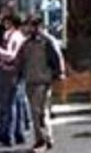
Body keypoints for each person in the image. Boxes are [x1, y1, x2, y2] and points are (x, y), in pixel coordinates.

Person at [15, 15, 64, 152]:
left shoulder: (47, 42)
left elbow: (56, 59)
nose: (29, 28)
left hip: (43, 81)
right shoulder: (26, 43)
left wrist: (58, 74)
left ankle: (42, 140)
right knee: (35, 112)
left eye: (32, 25)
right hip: (30, 80)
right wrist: (19, 75)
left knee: (39, 112)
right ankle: (44, 138)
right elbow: (21, 61)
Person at [0, 12, 28, 147]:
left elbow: (10, 55)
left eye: (6, 21)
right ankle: (17, 133)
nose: (4, 23)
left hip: (11, 73)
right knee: (16, 103)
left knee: (9, 104)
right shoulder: (13, 35)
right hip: (13, 72)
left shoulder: (15, 37)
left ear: (11, 23)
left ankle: (9, 134)